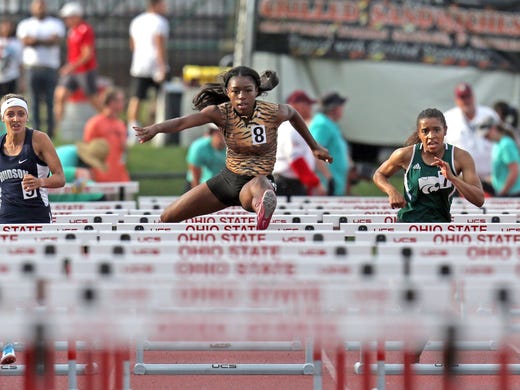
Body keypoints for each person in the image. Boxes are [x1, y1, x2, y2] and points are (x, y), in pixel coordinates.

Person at [134, 66, 332, 230]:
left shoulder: (273, 112)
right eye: (235, 91)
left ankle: (262, 206)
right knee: (167, 217)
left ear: (257, 91)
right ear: (227, 92)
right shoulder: (220, 113)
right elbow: (182, 123)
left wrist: (314, 146)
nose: (241, 97)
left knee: (260, 183)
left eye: (247, 90)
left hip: (256, 181)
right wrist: (156, 128)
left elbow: (293, 113)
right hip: (227, 180)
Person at [0, 93, 65, 364]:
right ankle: (8, 345)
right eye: (11, 114)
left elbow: (60, 178)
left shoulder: (38, 139)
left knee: (38, 284)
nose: (16, 119)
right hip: (5, 222)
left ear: (27, 116)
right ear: (3, 118)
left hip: (37, 221)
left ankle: (39, 339)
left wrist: (41, 183)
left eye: (20, 114)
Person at [373, 108, 484, 222]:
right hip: (408, 224)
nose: (431, 136)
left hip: (440, 227)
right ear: (419, 133)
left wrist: (452, 178)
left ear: (445, 131)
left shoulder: (460, 157)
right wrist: (392, 191)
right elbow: (379, 174)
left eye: (436, 130)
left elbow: (479, 199)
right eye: (425, 131)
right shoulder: (405, 155)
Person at [16, 0, 66, 138]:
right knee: (33, 101)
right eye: (37, 7)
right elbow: (26, 41)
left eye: (42, 6)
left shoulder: (55, 23)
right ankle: (36, 131)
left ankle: (51, 131)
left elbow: (55, 41)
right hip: (32, 67)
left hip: (50, 67)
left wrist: (36, 41)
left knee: (51, 100)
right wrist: (45, 41)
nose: (40, 9)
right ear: (33, 9)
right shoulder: (25, 24)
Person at [443, 82, 499, 195]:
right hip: (461, 180)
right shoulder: (448, 118)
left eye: (468, 97)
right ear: (457, 100)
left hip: (491, 179)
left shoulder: (489, 115)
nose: (466, 101)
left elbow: (503, 142)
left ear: (473, 97)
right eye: (462, 97)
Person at [126, 0, 169, 142]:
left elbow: (132, 45)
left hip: (139, 65)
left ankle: (133, 132)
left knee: (136, 99)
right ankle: (155, 131)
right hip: (155, 66)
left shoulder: (136, 21)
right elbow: (159, 45)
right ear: (156, 5)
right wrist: (162, 66)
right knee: (158, 99)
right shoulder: (160, 22)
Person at [54, 1, 101, 125]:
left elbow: (87, 54)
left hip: (85, 70)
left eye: (68, 17)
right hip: (73, 71)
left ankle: (110, 123)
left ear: (77, 16)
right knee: (60, 95)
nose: (66, 20)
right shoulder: (72, 31)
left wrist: (70, 66)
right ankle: (57, 129)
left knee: (94, 100)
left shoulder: (85, 30)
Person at [273, 90, 326, 196]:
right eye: (308, 105)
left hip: (292, 183)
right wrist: (315, 183)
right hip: (286, 184)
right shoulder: (289, 127)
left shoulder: (295, 126)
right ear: (297, 106)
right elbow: (295, 160)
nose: (311, 108)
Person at [83, 87, 130, 182]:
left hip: (120, 176)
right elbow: (87, 150)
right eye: (120, 100)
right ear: (111, 102)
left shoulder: (120, 123)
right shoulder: (95, 123)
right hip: (101, 177)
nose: (123, 104)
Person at [309, 91, 349, 195]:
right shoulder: (322, 125)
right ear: (334, 108)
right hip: (326, 187)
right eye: (341, 106)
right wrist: (329, 179)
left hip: (334, 185)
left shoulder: (330, 124)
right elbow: (315, 153)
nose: (342, 109)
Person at [478, 116, 520, 197]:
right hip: (503, 192)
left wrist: (502, 192)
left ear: (493, 128)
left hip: (512, 194)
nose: (486, 138)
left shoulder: (506, 144)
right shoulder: (496, 145)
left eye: (486, 135)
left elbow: (514, 171)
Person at [185, 123, 226, 191]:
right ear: (213, 132)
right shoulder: (199, 147)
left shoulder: (235, 148)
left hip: (223, 186)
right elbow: (195, 177)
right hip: (199, 185)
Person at [0, 19, 23, 96]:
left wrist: (22, 81)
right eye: (5, 26)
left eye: (10, 26)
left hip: (12, 77)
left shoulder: (17, 43)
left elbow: (20, 63)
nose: (7, 28)